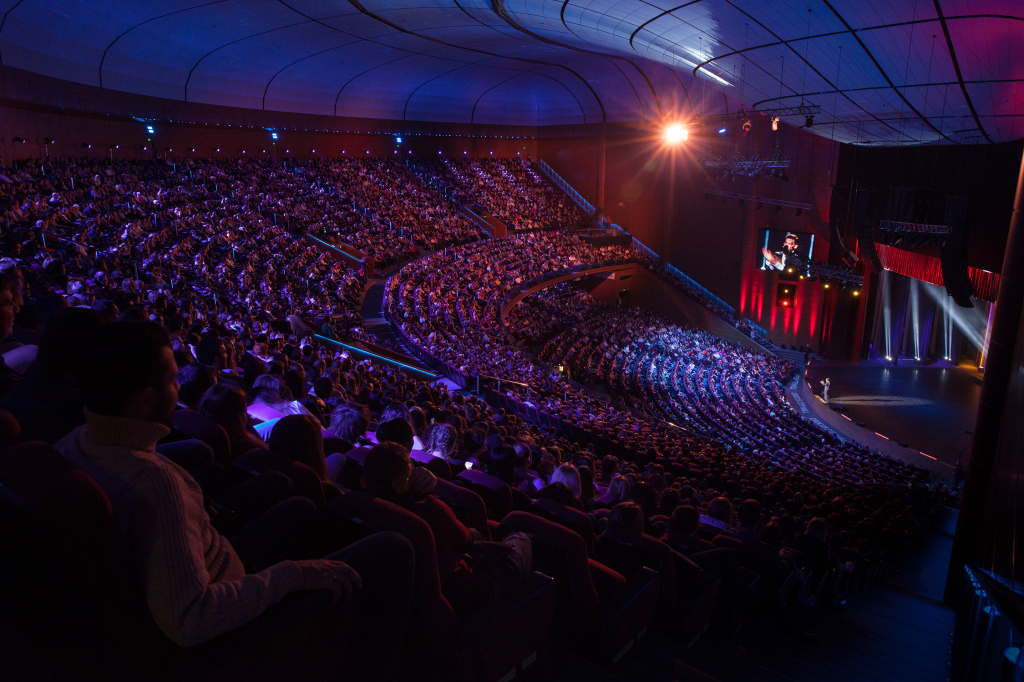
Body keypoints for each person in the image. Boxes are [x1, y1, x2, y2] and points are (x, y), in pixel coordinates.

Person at [55, 321, 414, 669]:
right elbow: (192, 619)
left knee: (301, 507)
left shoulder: (73, 443)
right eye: (172, 381)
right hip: (227, 630)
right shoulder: (158, 486)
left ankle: (323, 633)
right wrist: (292, 576)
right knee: (394, 548)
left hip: (217, 564)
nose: (180, 388)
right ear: (146, 399)